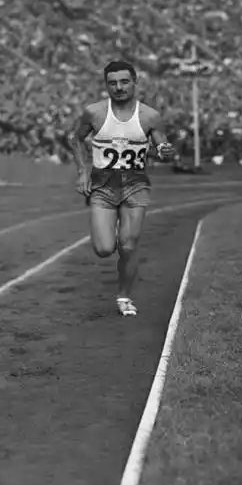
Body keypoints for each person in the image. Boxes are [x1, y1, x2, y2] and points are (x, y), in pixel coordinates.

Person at [71, 61, 175, 316]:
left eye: (124, 82)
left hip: (135, 185)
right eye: (113, 83)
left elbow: (162, 146)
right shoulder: (94, 113)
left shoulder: (149, 116)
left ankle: (124, 296)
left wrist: (165, 151)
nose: (119, 88)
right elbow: (75, 138)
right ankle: (114, 231)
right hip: (103, 186)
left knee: (128, 246)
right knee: (105, 248)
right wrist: (83, 171)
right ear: (106, 85)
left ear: (134, 82)